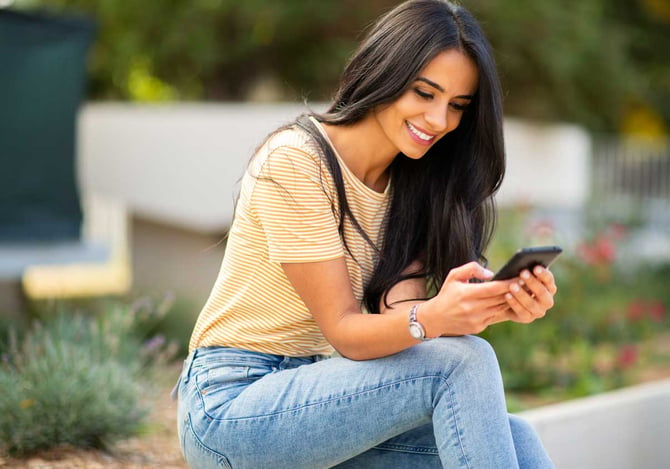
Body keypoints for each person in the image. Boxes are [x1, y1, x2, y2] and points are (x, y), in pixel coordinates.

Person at [175, 0, 557, 467]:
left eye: (457, 105)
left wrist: (487, 305)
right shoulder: (296, 160)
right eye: (424, 93)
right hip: (232, 408)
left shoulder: (413, 187)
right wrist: (436, 317)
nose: (439, 121)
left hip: (328, 400)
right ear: (386, 73)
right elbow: (346, 332)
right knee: (466, 361)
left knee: (515, 436)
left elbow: (401, 321)